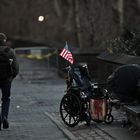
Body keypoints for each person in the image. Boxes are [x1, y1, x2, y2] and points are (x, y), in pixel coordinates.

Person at [0, 33, 19, 129]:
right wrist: (12, 76)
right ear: (4, 41)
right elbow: (15, 66)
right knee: (6, 98)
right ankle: (4, 116)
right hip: (6, 79)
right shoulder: (10, 51)